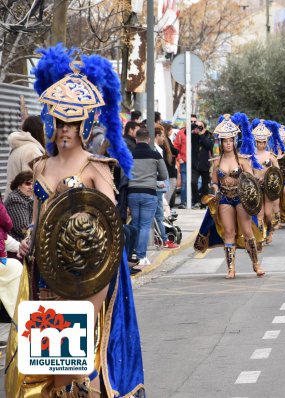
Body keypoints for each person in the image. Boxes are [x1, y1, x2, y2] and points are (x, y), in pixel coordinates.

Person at [5, 44, 144, 397]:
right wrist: (28, 240)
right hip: (43, 274)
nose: (65, 129)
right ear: (51, 122)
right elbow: (35, 220)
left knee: (82, 361)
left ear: (85, 124)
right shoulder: (38, 167)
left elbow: (111, 227)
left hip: (88, 276)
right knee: (49, 365)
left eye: (73, 122)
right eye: (60, 122)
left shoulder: (96, 167)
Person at [195, 113, 265, 279]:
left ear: (234, 141)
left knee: (248, 232)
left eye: (230, 140)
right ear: (221, 142)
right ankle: (230, 268)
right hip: (224, 198)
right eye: (225, 141)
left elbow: (251, 179)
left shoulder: (243, 160)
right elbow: (214, 182)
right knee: (228, 231)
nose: (228, 144)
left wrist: (257, 181)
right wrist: (214, 191)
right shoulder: (217, 162)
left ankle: (256, 264)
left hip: (241, 198)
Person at [128, 128, 169, 265]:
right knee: (145, 226)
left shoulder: (129, 154)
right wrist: (152, 176)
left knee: (135, 224)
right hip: (149, 193)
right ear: (149, 139)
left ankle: (132, 254)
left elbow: (124, 173)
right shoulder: (155, 155)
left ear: (136, 139)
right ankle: (141, 256)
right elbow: (164, 175)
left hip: (132, 193)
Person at [252, 119, 280, 244]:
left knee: (268, 214)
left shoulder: (271, 155)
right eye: (259, 142)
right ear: (255, 141)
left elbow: (278, 172)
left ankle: (270, 230)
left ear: (266, 142)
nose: (261, 144)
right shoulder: (251, 156)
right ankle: (259, 236)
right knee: (259, 214)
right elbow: (247, 171)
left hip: (268, 187)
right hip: (256, 187)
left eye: (263, 142)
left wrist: (269, 177)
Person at [5, 115, 45, 196]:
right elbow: (30, 186)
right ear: (40, 131)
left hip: (12, 202)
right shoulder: (32, 150)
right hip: (23, 206)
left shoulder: (17, 148)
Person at [154, 126, 179, 249]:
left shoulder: (158, 148)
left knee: (159, 213)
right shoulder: (155, 150)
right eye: (162, 136)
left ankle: (161, 238)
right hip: (157, 186)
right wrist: (161, 181)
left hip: (156, 186)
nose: (164, 138)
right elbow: (159, 171)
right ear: (156, 136)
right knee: (158, 214)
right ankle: (163, 239)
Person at [191, 120, 215, 208]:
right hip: (195, 164)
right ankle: (196, 201)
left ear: (204, 127)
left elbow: (209, 146)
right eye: (196, 126)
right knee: (193, 182)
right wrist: (193, 129)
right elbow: (186, 133)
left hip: (205, 164)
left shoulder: (209, 135)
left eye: (200, 126)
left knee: (205, 186)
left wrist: (201, 135)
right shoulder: (193, 135)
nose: (198, 128)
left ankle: (203, 203)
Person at [4, 171, 33, 243]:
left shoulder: (24, 198)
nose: (31, 187)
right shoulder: (16, 200)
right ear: (18, 185)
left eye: (34, 184)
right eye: (28, 183)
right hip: (18, 245)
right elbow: (23, 229)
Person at [173, 122, 189, 208]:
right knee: (184, 182)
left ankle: (194, 201)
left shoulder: (197, 133)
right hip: (184, 162)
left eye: (194, 122)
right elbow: (176, 147)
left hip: (195, 163)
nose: (192, 123)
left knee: (196, 183)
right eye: (190, 122)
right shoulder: (180, 133)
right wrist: (179, 158)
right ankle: (183, 202)